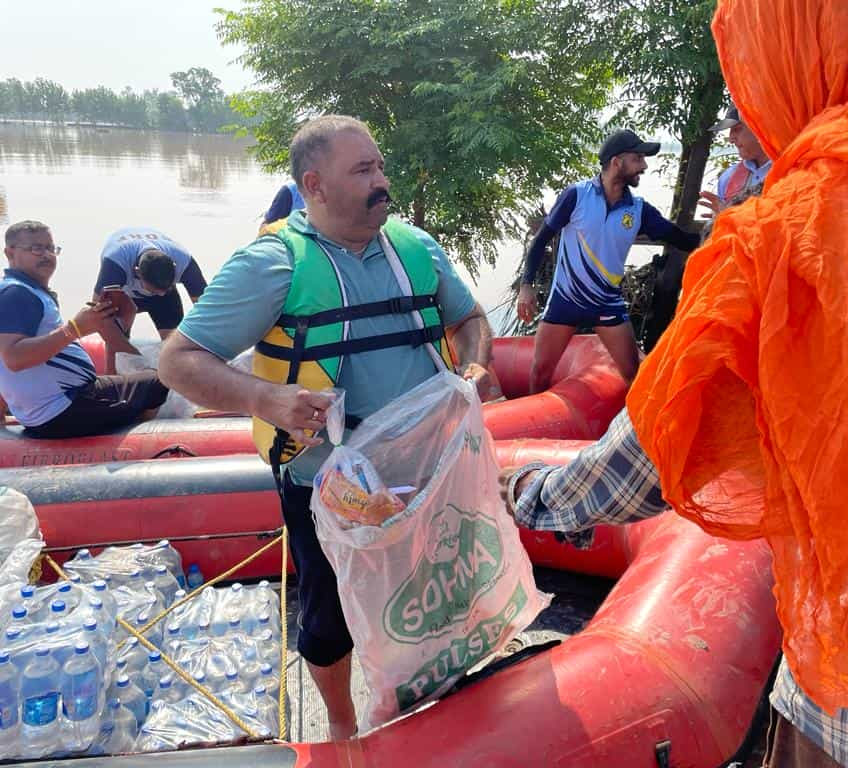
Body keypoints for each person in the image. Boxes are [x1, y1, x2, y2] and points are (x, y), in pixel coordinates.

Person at [503, 0, 848, 765]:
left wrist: (534, 498)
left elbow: (663, 445)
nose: (751, 109)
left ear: (807, 57)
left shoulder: (808, 219)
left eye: (753, 79)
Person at [159, 114, 494, 741]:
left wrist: (476, 361)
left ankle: (433, 704)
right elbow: (176, 361)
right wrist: (266, 398)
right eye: (363, 171)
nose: (382, 182)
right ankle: (341, 725)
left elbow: (470, 317)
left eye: (380, 166)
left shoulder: (416, 248)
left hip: (428, 472)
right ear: (314, 185)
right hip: (330, 485)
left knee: (442, 591)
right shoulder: (272, 264)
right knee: (330, 614)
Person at [515, 129, 701, 393]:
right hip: (564, 302)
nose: (644, 166)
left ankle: (638, 431)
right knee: (539, 373)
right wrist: (527, 284)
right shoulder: (576, 195)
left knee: (635, 374)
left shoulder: (639, 210)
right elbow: (541, 239)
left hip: (607, 304)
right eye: (638, 159)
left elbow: (682, 240)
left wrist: (723, 225)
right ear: (617, 162)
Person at [0, 220, 168, 438]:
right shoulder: (17, 294)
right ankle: (135, 444)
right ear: (10, 253)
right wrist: (75, 328)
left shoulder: (20, 292)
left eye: (51, 248)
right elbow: (13, 358)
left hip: (56, 406)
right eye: (36, 248)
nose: (46, 255)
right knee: (159, 381)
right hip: (65, 410)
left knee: (137, 380)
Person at [92, 227, 208, 372]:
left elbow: (207, 311)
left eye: (167, 287)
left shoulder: (184, 261)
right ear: (137, 272)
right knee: (116, 347)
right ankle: (112, 378)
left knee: (173, 344)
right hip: (124, 294)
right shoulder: (115, 265)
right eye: (154, 290)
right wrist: (136, 358)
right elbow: (96, 315)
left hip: (165, 296)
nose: (159, 294)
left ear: (174, 267)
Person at [698, 104, 772, 220]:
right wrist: (717, 223)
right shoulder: (727, 178)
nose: (731, 138)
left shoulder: (793, 172)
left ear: (759, 127)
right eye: (730, 131)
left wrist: (731, 219)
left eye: (737, 129)